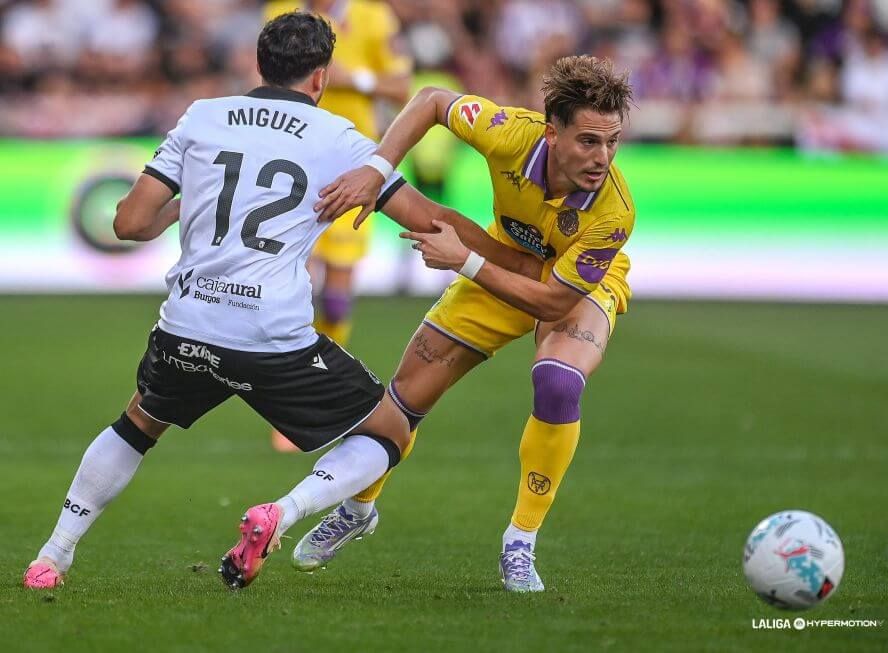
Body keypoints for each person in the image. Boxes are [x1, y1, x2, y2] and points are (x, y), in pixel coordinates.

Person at [22, 11, 539, 591]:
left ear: (258, 63)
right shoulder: (339, 138)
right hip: (272, 336)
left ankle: (52, 555)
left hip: (187, 323)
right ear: (320, 78)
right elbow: (431, 219)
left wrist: (189, 200)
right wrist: (515, 259)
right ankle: (284, 513)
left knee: (139, 420)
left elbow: (130, 223)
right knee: (391, 431)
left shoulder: (204, 116)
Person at [296, 55, 636, 592]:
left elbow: (551, 301)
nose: (603, 157)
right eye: (589, 141)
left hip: (572, 286)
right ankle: (358, 509)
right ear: (552, 133)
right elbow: (430, 98)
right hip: (502, 260)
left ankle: (520, 541)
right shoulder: (511, 134)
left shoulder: (614, 211)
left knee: (557, 381)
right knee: (403, 401)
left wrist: (465, 261)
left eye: (612, 141)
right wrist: (378, 167)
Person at [264, 0, 412, 452]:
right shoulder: (280, 11)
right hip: (293, 165)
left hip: (351, 165)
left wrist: (357, 79)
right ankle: (289, 407)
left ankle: (318, 393)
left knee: (336, 295)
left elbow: (402, 87)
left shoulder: (374, 18)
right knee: (294, 286)